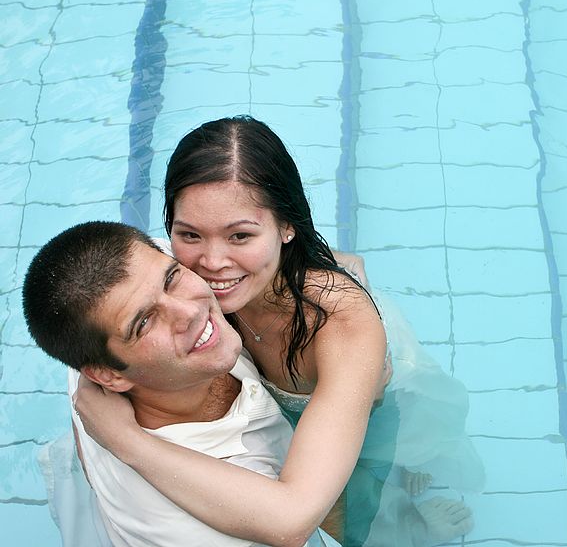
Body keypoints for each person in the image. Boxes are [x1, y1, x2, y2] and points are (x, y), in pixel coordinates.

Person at [75, 116, 484, 546]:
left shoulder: (340, 329)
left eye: (240, 236)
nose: (211, 263)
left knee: (368, 483)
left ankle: (415, 524)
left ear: (287, 226)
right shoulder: (173, 282)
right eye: (190, 234)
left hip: (375, 393)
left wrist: (124, 439)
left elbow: (292, 520)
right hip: (315, 370)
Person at [23, 221, 339, 547]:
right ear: (108, 376)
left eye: (171, 279)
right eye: (144, 323)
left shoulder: (104, 320)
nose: (190, 310)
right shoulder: (197, 531)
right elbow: (291, 521)